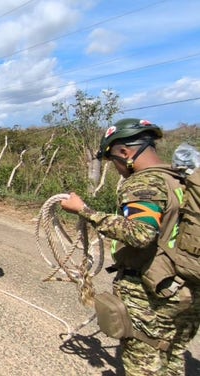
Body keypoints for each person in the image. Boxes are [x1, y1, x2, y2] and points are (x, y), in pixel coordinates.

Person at [60, 118, 200, 375]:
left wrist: (84, 211)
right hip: (188, 288)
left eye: (112, 158)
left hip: (152, 292)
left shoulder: (143, 183)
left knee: (144, 364)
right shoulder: (180, 179)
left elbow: (140, 234)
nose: (115, 166)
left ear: (124, 152)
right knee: (173, 359)